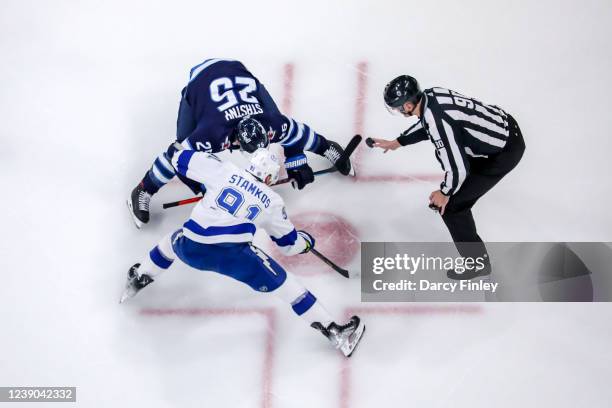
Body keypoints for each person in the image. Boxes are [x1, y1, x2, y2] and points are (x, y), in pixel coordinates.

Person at [120, 148, 365, 357]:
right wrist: (306, 241)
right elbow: (289, 246)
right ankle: (334, 331)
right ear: (269, 176)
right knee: (287, 285)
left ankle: (139, 277)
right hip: (233, 255)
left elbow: (178, 157)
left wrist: (206, 178)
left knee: (170, 242)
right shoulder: (272, 201)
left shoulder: (223, 170)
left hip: (192, 246)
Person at [127, 58, 354, 228]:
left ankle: (329, 147)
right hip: (200, 82)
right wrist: (204, 187)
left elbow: (297, 133)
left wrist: (297, 161)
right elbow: (176, 157)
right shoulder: (212, 133)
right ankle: (143, 190)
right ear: (235, 140)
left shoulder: (270, 122)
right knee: (182, 145)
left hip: (241, 75)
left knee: (280, 116)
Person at [371, 75, 525, 280]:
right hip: (505, 125)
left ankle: (477, 264)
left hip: (505, 153)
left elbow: (458, 168)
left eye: (398, 108)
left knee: (452, 208)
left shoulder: (437, 123)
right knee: (444, 153)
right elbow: (429, 123)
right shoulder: (432, 95)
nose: (399, 111)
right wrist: (398, 142)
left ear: (408, 106)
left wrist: (444, 192)